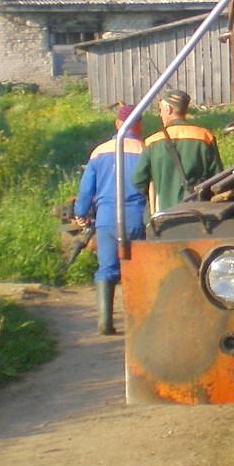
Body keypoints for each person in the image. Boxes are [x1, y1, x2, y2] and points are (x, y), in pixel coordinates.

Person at [75, 103, 147, 334]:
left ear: (117, 124)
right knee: (138, 269)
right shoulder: (145, 149)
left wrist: (80, 213)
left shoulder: (99, 151)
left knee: (107, 268)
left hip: (106, 220)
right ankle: (138, 323)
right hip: (137, 218)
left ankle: (105, 322)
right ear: (139, 125)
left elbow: (86, 190)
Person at [131, 88, 223, 212]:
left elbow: (138, 180)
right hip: (198, 214)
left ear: (168, 109)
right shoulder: (205, 137)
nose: (160, 114)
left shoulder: (152, 142)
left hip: (165, 217)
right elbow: (217, 178)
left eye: (161, 109)